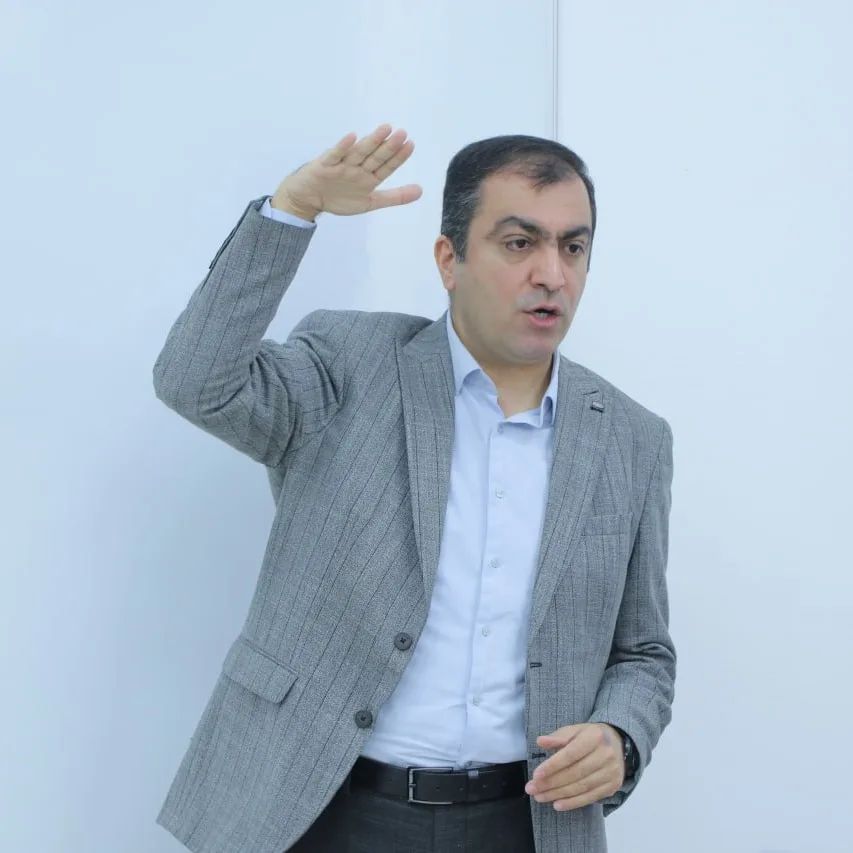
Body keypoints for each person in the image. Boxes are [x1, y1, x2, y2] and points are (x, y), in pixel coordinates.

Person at [152, 124, 675, 853]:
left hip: (523, 821)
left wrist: (620, 734)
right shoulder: (349, 363)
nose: (552, 274)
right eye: (519, 243)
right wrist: (292, 210)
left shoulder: (631, 438)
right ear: (449, 259)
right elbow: (195, 382)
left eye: (573, 247)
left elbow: (643, 651)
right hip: (322, 807)